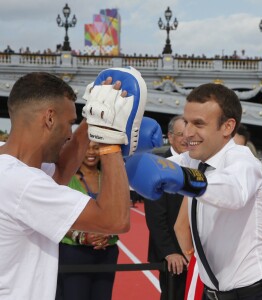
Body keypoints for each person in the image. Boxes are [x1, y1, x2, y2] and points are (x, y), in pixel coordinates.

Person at [127, 83, 262, 299]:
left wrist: (185, 179)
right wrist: (118, 150)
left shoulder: (244, 161)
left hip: (256, 294)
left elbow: (234, 192)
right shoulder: (193, 159)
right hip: (213, 293)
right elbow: (139, 173)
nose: (188, 132)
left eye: (199, 124)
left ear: (227, 126)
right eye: (186, 122)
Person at [0, 69, 146, 299]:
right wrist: (109, 139)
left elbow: (59, 172)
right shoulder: (22, 184)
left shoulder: (11, 169)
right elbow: (115, 220)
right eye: (70, 123)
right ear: (49, 118)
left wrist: (93, 119)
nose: (70, 134)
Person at [56, 141, 119, 300]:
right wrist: (82, 237)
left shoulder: (111, 178)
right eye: (86, 147)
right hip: (74, 253)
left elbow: (120, 212)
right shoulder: (65, 178)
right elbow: (56, 217)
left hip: (106, 251)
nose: (91, 152)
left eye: (96, 147)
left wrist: (107, 233)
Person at [144, 115, 188, 300]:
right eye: (181, 134)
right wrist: (169, 251)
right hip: (174, 257)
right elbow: (155, 216)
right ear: (170, 137)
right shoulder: (158, 167)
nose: (187, 138)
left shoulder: (200, 164)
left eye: (190, 134)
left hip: (198, 254)